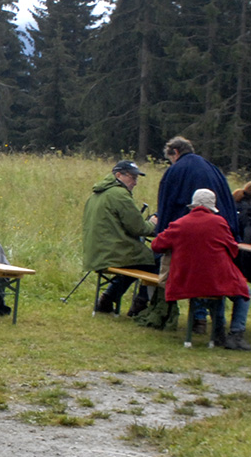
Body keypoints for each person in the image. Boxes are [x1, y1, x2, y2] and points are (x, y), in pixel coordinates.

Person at [156, 136, 244, 338]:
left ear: (175, 152)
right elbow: (232, 245)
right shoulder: (213, 170)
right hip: (218, 269)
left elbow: (166, 210)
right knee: (218, 276)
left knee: (187, 268)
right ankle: (220, 328)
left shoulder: (176, 172)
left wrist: (161, 229)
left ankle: (196, 317)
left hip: (186, 267)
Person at [151, 189, 250, 349]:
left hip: (185, 280)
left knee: (215, 290)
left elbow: (156, 245)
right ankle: (235, 334)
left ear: (193, 205)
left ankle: (217, 331)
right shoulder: (219, 223)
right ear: (212, 207)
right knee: (240, 291)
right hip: (215, 279)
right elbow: (232, 249)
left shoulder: (180, 224)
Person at [82, 160, 157, 316]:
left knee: (137, 262)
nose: (135, 182)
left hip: (95, 252)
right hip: (112, 253)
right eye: (132, 177)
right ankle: (141, 304)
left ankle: (108, 298)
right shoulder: (120, 195)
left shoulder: (97, 194)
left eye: (136, 178)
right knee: (155, 261)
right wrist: (153, 224)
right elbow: (139, 228)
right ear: (118, 175)